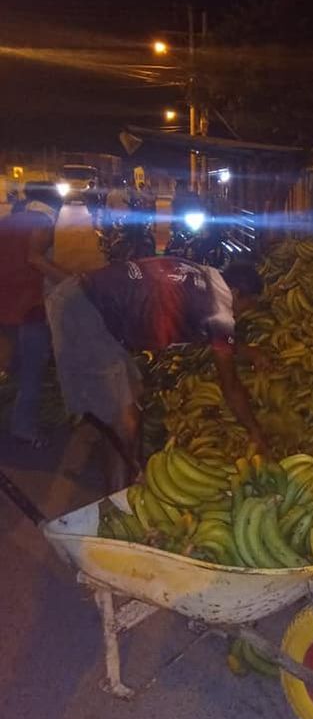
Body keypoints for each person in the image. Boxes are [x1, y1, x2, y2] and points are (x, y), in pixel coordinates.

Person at [45, 257, 269, 490]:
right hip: (84, 312)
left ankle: (131, 467)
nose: (243, 314)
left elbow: (205, 328)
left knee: (133, 394)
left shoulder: (207, 275)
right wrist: (255, 432)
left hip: (84, 300)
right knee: (125, 421)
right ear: (236, 293)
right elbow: (230, 385)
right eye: (248, 305)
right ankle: (118, 497)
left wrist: (244, 350)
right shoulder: (220, 310)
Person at [0, 183, 69, 446]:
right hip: (28, 308)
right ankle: (24, 428)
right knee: (32, 370)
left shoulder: (9, 221)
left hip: (5, 306)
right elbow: (35, 259)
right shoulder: (43, 222)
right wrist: (75, 282)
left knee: (12, 364)